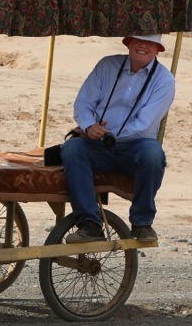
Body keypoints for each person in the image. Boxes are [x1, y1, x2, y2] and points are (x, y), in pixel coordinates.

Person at [61, 34, 175, 244]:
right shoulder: (107, 65)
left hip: (134, 147)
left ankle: (142, 223)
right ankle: (89, 224)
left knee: (153, 153)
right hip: (98, 144)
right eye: (137, 41)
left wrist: (105, 134)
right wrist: (88, 126)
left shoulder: (164, 80)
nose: (142, 46)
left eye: (149, 42)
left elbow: (144, 125)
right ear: (128, 43)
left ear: (158, 49)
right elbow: (83, 103)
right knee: (72, 149)